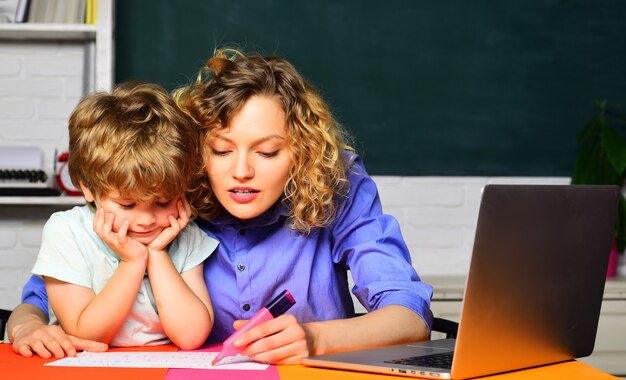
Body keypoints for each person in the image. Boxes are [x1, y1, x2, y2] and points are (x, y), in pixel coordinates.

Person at [8, 49, 433, 364]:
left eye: (267, 153)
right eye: (221, 150)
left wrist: (316, 339)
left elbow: (409, 314)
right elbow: (46, 292)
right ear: (196, 155)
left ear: (301, 153)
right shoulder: (165, 194)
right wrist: (25, 324)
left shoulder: (337, 182)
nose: (242, 172)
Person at [18, 82, 217, 354]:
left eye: (163, 201)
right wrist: (133, 262)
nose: (146, 220)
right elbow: (88, 335)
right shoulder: (67, 231)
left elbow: (191, 336)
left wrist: (157, 255)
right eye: (127, 204)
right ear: (87, 187)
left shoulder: (184, 234)